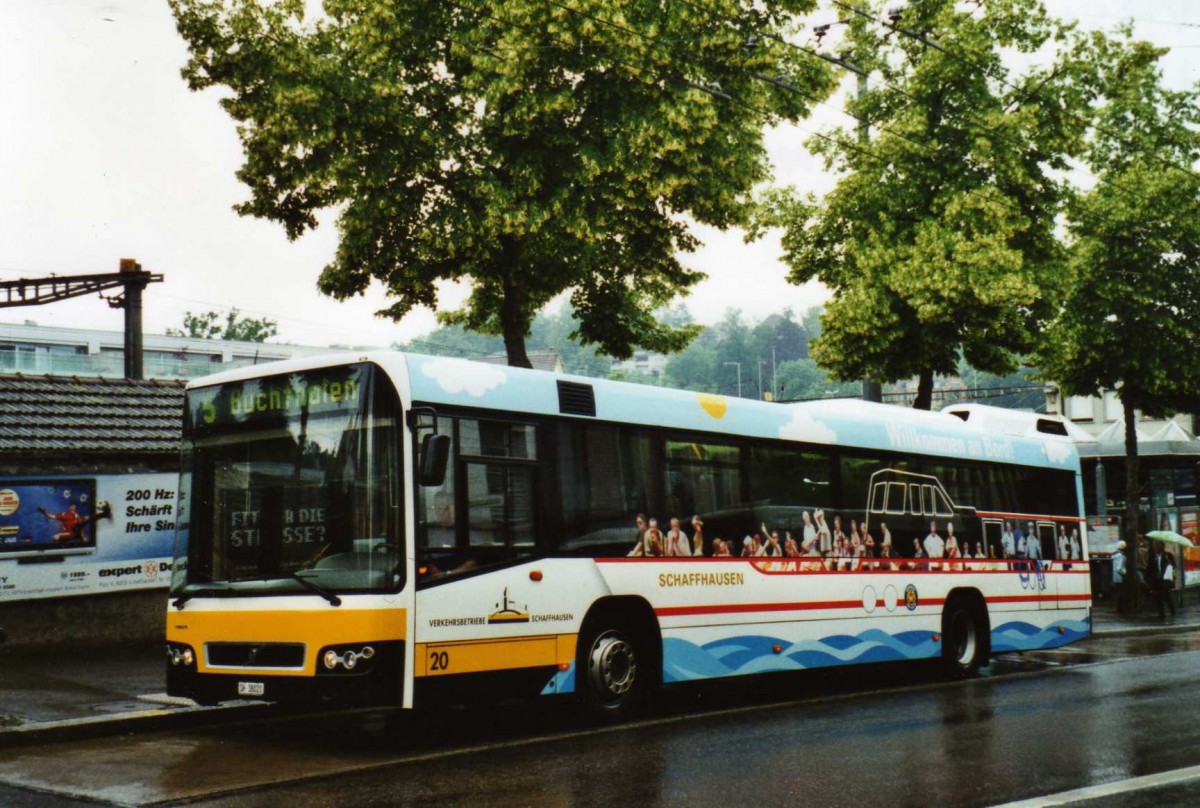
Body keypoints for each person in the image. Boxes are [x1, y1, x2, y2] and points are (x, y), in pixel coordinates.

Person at [1146, 540, 1176, 620]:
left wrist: (1169, 561)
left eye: (1157, 545)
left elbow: (1173, 566)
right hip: (1156, 580)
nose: (1155, 547)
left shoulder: (1168, 555)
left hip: (1165, 579)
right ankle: (1161, 615)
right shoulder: (1153, 556)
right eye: (1154, 546)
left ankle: (1173, 612)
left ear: (1161, 546)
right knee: (1158, 597)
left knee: (1167, 597)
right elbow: (1149, 568)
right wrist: (1148, 579)